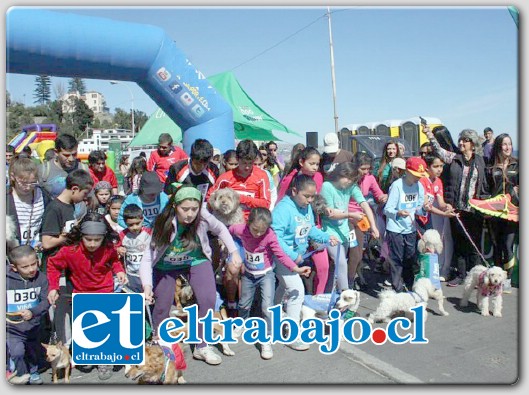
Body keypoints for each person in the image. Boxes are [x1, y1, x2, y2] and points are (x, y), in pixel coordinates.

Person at [139, 185, 242, 365]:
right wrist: (147, 286)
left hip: (195, 259)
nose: (190, 214)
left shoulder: (202, 216)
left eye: (194, 209)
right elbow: (147, 257)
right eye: (184, 209)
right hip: (166, 264)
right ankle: (159, 340)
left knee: (208, 299)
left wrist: (234, 252)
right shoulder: (162, 223)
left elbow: (220, 229)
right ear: (175, 206)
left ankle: (202, 345)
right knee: (162, 304)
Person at [47, 212, 127, 381]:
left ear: (104, 237)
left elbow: (114, 260)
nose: (92, 244)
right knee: (85, 327)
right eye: (88, 239)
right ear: (81, 236)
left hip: (104, 291)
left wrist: (119, 271)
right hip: (81, 293)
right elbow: (53, 264)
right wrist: (53, 287)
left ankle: (104, 361)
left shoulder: (108, 248)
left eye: (96, 240)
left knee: (104, 328)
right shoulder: (70, 251)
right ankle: (89, 354)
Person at [272, 174, 338, 351]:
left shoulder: (306, 208)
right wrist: (292, 255)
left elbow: (309, 230)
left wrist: (326, 237)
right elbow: (275, 237)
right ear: (294, 191)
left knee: (283, 288)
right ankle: (292, 335)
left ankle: (271, 315)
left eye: (312, 197)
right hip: (283, 258)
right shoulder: (283, 209)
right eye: (306, 196)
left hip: (297, 257)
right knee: (296, 291)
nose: (310, 201)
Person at [229, 207, 305, 360]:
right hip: (249, 275)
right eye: (255, 229)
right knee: (243, 303)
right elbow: (228, 231)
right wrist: (234, 250)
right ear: (248, 223)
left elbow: (280, 255)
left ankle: (267, 339)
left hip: (266, 275)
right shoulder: (241, 229)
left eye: (261, 231)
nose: (257, 234)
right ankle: (241, 324)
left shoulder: (270, 235)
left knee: (267, 307)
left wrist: (296, 268)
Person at [207, 140, 271, 314]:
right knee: (233, 268)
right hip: (230, 231)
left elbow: (265, 203)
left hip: (253, 231)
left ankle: (249, 306)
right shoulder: (226, 178)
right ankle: (231, 304)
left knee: (249, 270)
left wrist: (240, 199)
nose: (247, 167)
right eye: (243, 163)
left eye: (251, 163)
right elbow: (210, 199)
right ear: (238, 159)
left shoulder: (261, 176)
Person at [424, 126, 489, 287]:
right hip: (456, 209)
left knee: (473, 244)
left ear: (472, 144)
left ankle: (475, 275)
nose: (461, 142)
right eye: (460, 139)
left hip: (474, 210)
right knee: (459, 243)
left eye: (465, 140)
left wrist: (485, 203)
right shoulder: (454, 158)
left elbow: (484, 184)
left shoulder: (480, 161)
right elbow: (439, 150)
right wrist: (429, 134)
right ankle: (460, 275)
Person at [40, 169, 93, 348]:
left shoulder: (70, 206)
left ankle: (70, 345)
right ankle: (62, 347)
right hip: (56, 267)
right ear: (75, 188)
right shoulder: (54, 208)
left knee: (69, 305)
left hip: (68, 266)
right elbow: (46, 242)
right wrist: (65, 236)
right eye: (84, 194)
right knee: (60, 309)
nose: (85, 198)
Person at [320, 162, 379, 291]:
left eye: (352, 180)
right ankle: (346, 293)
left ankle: (330, 293)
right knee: (340, 262)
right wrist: (350, 215)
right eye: (348, 178)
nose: (349, 182)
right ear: (340, 174)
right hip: (329, 231)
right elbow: (331, 214)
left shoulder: (351, 186)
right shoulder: (327, 187)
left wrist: (373, 226)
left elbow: (364, 204)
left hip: (344, 232)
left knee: (336, 266)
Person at [276, 146, 327, 294]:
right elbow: (281, 204)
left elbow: (316, 202)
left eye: (317, 164)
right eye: (312, 163)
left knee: (323, 267)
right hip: (291, 235)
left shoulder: (318, 177)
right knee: (292, 282)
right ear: (301, 162)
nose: (315, 168)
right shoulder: (290, 179)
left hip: (311, 225)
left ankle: (318, 300)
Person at [383, 157, 430, 292]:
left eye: (420, 176)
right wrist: (398, 213)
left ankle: (409, 287)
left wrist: (425, 209)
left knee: (410, 258)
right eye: (416, 175)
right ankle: (397, 288)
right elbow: (387, 209)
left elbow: (419, 209)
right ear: (407, 172)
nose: (418, 178)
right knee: (396, 259)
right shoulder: (397, 185)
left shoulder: (419, 186)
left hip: (410, 228)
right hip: (395, 229)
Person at [6, 245, 50, 385]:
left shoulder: (41, 278)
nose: (31, 269)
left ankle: (33, 371)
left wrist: (33, 312)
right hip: (11, 328)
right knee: (17, 352)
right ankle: (22, 375)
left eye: (33, 264)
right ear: (14, 267)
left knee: (32, 351)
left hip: (33, 326)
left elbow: (46, 301)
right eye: (25, 267)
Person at [347, 152, 387, 288]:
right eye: (362, 169)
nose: (366, 172)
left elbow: (378, 193)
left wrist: (384, 197)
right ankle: (347, 282)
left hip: (360, 218)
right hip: (345, 218)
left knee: (358, 254)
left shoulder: (369, 178)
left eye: (368, 169)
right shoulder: (347, 179)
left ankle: (350, 279)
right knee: (352, 253)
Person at [486, 133, 518, 292]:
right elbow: (485, 190)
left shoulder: (518, 165)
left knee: (508, 245)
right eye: (504, 144)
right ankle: (496, 280)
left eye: (510, 144)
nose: (508, 147)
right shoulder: (490, 167)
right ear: (498, 147)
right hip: (494, 213)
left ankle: (508, 279)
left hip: (512, 213)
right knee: (497, 245)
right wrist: (484, 207)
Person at [7, 157, 51, 248]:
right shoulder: (6, 198)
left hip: (36, 249)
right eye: (23, 183)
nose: (28, 187)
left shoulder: (43, 195)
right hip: (13, 251)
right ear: (12, 177)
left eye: (32, 183)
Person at [37, 133, 88, 199]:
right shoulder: (43, 170)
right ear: (56, 152)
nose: (71, 159)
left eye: (74, 154)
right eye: (66, 155)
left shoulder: (84, 169)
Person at [117, 204, 151, 293]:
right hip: (131, 273)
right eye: (131, 225)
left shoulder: (149, 233)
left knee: (150, 295)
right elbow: (116, 247)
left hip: (148, 273)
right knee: (136, 297)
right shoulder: (122, 235)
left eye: (137, 223)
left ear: (142, 219)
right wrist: (119, 249)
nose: (135, 227)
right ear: (125, 223)